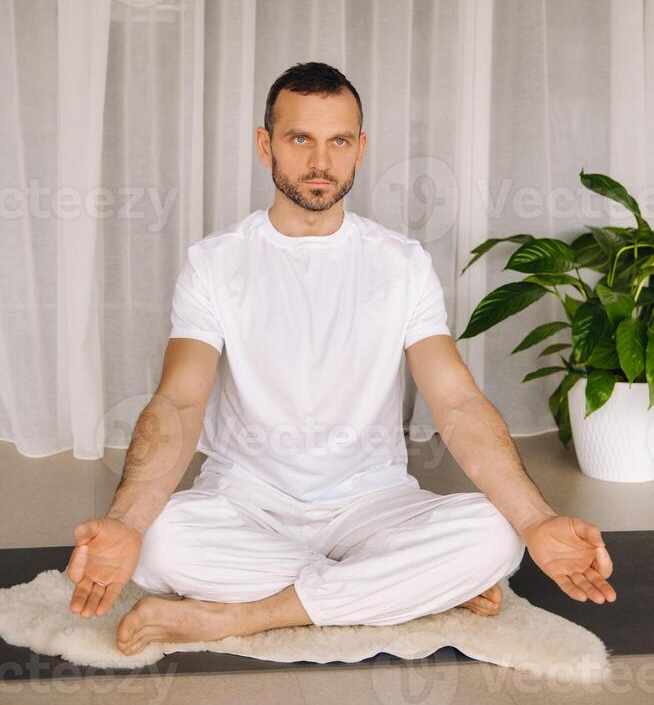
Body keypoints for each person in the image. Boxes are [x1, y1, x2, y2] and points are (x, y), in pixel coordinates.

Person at [66, 62, 616, 657]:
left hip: (373, 501)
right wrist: (124, 521)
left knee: (497, 536)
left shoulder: (401, 263)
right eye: (300, 138)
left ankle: (252, 615)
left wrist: (536, 521)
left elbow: (456, 402)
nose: (320, 162)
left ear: (361, 150)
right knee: (158, 541)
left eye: (339, 141)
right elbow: (178, 401)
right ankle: (399, 589)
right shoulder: (215, 263)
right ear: (264, 144)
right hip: (249, 499)